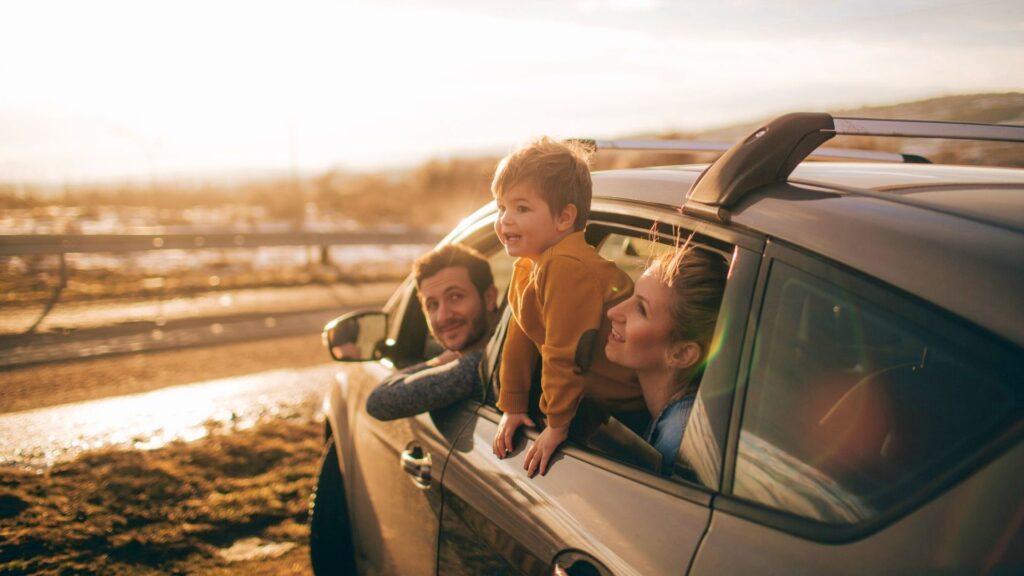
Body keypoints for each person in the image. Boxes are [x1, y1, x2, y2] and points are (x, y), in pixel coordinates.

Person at [489, 137, 644, 477]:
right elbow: (521, 338)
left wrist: (556, 425)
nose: (505, 220)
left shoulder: (566, 266)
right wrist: (512, 406)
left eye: (522, 208)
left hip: (629, 408)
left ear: (563, 218)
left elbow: (564, 352)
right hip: (599, 405)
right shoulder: (532, 265)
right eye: (501, 207)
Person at [605, 245, 728, 475]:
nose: (614, 312)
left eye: (641, 309)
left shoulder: (677, 444)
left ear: (681, 354)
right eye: (632, 295)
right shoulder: (681, 419)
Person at [365, 244, 500, 420]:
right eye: (432, 305)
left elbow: (379, 402)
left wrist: (442, 361)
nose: (443, 316)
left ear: (489, 297)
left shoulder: (485, 365)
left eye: (455, 296)